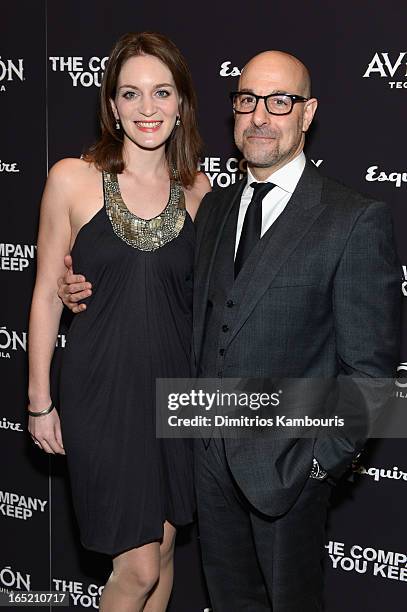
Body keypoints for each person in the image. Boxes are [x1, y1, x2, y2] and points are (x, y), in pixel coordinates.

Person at [58, 50, 400, 611]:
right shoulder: (212, 207)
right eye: (246, 101)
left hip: (289, 473)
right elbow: (164, 293)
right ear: (233, 113)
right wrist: (74, 291)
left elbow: (371, 371)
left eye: (279, 101)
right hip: (206, 464)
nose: (260, 116)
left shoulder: (353, 218)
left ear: (307, 113)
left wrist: (320, 462)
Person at [28, 31, 210, 612]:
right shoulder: (71, 179)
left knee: (165, 551)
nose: (147, 108)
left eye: (161, 92)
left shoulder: (200, 191)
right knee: (135, 565)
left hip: (174, 391)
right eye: (131, 94)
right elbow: (45, 296)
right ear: (111, 105)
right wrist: (39, 401)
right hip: (102, 392)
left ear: (181, 102)